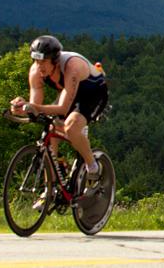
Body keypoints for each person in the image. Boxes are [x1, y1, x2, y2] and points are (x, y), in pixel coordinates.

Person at [10, 35, 109, 209]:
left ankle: (93, 167)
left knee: (71, 126)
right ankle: (50, 189)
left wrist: (32, 106)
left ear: (55, 61)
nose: (39, 67)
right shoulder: (36, 72)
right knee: (49, 127)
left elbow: (63, 109)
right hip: (69, 93)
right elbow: (37, 107)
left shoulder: (71, 66)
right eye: (35, 61)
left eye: (43, 62)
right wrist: (23, 108)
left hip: (93, 94)